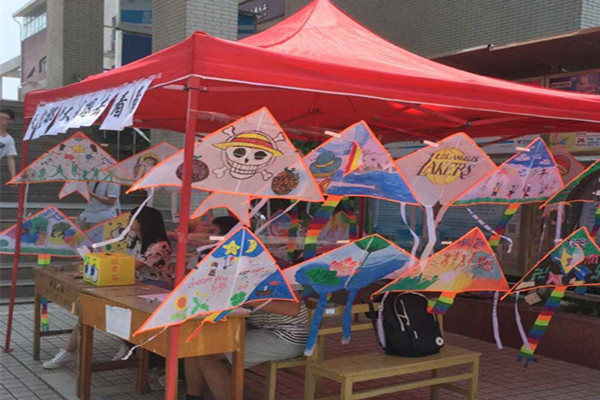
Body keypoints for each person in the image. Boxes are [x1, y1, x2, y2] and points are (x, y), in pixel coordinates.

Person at [42, 206, 173, 369]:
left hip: (153, 289)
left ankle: (127, 347)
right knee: (88, 311)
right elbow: (122, 261)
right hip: (131, 284)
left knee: (99, 312)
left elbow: (131, 265)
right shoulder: (134, 238)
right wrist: (94, 263)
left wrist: (98, 263)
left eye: (133, 218)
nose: (128, 221)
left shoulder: (159, 246)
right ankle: (71, 350)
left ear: (145, 221)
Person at [0, 108, 17, 181]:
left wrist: (13, 177)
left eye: (5, 119)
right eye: (0, 118)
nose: (1, 120)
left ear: (10, 121)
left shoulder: (9, 139)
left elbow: (10, 158)